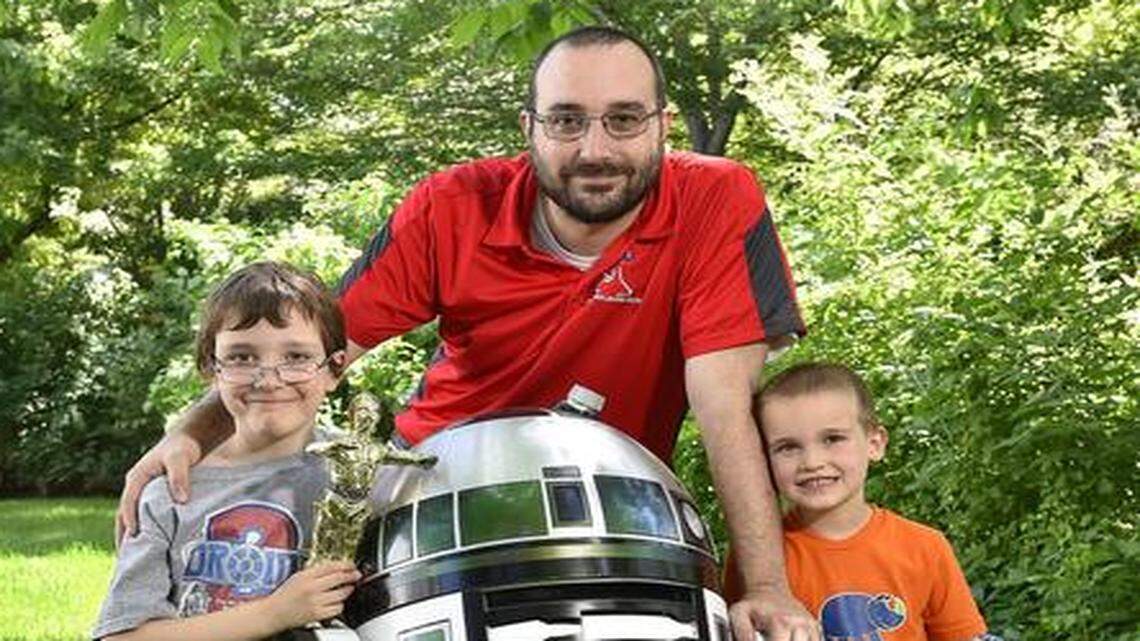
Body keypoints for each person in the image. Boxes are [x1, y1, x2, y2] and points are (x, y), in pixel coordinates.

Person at [117, 26, 817, 641]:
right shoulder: (452, 205)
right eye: (567, 121)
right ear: (529, 128)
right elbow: (313, 351)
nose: (595, 148)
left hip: (607, 499)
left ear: (664, 124)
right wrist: (190, 432)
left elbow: (725, 405)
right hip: (438, 494)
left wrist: (766, 588)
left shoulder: (717, 199)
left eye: (624, 120)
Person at [93, 262, 361, 640]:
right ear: (210, 368)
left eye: (296, 357)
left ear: (334, 370)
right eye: (242, 357)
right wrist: (274, 613)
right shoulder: (170, 493)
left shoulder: (363, 477)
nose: (269, 379)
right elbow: (120, 637)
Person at [724, 362, 995, 641]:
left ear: (875, 443)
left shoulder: (926, 548)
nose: (812, 462)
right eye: (788, 447)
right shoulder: (756, 556)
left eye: (833, 439)